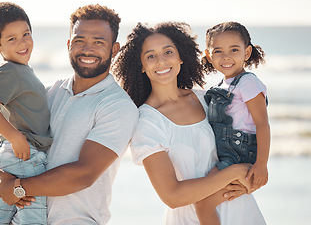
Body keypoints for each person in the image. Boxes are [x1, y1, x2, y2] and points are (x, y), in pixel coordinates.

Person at [0, 4, 139, 225]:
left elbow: (84, 174)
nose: (88, 49)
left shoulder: (118, 106)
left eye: (99, 42)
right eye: (79, 40)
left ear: (114, 49)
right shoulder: (45, 92)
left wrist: (17, 188)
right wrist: (1, 177)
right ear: (68, 45)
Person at [112, 22, 266, 224]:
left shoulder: (207, 99)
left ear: (180, 56)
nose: (161, 61)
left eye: (168, 52)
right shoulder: (146, 122)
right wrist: (234, 173)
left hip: (241, 211)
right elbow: (172, 196)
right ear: (140, 65)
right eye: (151, 56)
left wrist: (250, 181)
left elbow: (249, 134)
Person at [0, 2, 52, 225]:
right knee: (33, 218)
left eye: (26, 34)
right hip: (24, 155)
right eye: (11, 39)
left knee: (4, 216)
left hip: (19, 153)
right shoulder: (10, 71)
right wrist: (15, 136)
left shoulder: (20, 70)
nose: (22, 42)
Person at [195, 21, 270, 224]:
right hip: (227, 155)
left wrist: (261, 165)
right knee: (202, 197)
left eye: (234, 50)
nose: (226, 56)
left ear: (246, 53)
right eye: (218, 51)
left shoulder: (248, 83)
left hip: (238, 155)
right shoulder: (221, 85)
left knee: (203, 202)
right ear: (209, 56)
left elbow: (262, 124)